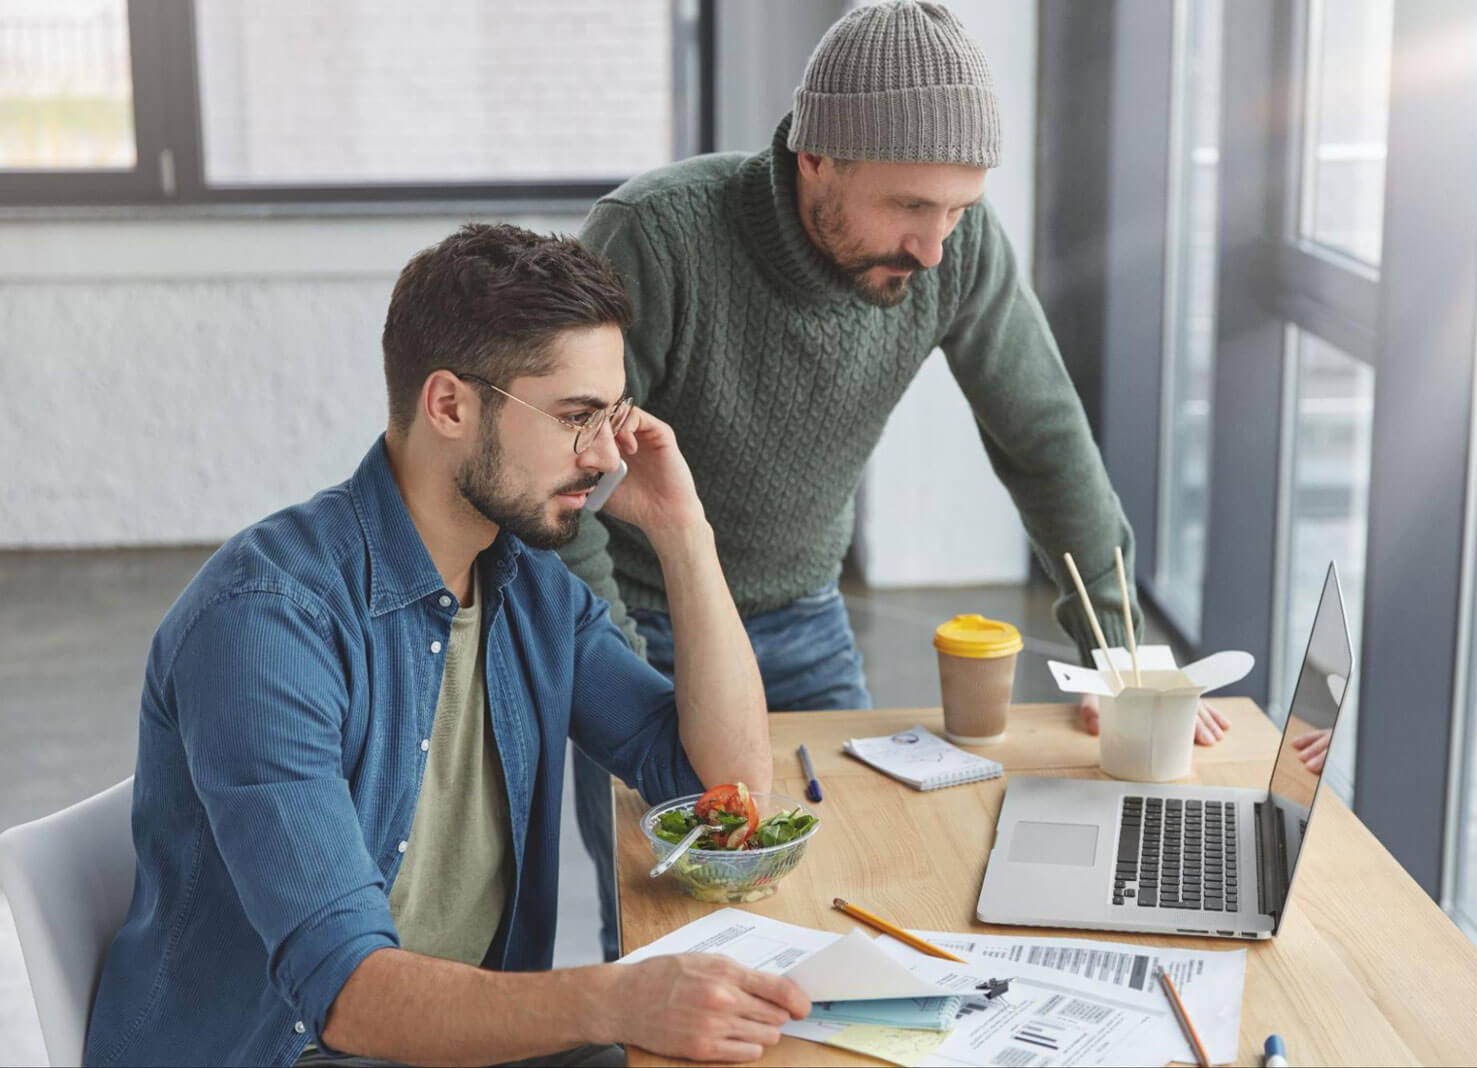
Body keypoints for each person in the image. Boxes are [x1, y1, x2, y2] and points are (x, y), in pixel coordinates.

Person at [563, 0, 1229, 960]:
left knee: (857, 880)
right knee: (678, 926)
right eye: (911, 207)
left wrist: (1122, 654)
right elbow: (567, 479)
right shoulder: (655, 238)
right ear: (817, 159)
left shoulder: (958, 254)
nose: (935, 246)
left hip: (801, 615)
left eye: (958, 210)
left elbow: (1043, 437)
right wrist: (616, 680)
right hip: (638, 620)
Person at [85, 225, 809, 1068]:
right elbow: (346, 992)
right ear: (450, 405)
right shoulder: (266, 623)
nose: (607, 455)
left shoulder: (526, 585)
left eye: (612, 417)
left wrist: (685, 533)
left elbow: (723, 789)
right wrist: (615, 997)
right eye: (577, 416)